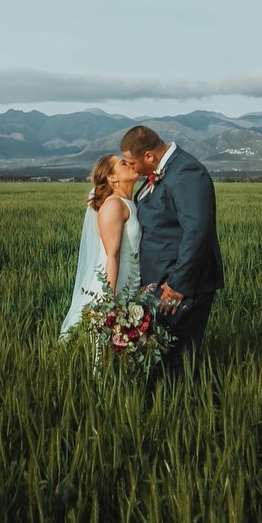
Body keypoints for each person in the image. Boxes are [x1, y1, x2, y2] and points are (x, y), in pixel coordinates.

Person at [119, 125, 223, 379]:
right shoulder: (164, 172)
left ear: (149, 156)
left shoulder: (187, 171)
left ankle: (186, 403)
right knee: (162, 359)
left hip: (180, 288)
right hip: (160, 285)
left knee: (177, 361)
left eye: (132, 163)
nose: (131, 168)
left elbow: (197, 232)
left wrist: (177, 284)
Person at [58, 154, 142, 342]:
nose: (130, 163)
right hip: (114, 287)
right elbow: (111, 256)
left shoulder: (129, 203)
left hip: (130, 285)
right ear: (112, 178)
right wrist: (109, 304)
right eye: (123, 163)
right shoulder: (113, 205)